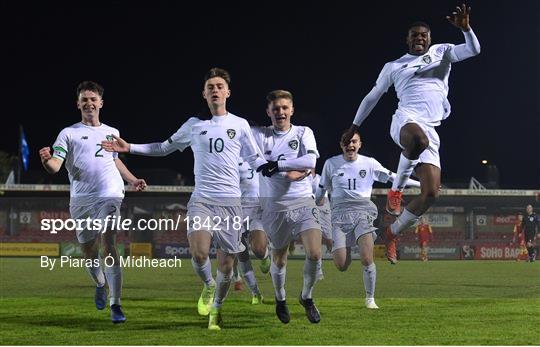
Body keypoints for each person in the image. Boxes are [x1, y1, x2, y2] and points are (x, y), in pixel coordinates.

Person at [101, 68, 267, 330]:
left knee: (226, 263)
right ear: (204, 93)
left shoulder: (240, 124)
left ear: (228, 92)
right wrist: (130, 147)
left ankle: (216, 310)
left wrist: (272, 167)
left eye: (219, 86)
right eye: (210, 86)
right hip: (201, 199)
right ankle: (208, 285)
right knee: (199, 253)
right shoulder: (194, 125)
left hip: (231, 204)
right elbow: (164, 147)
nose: (215, 90)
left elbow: (255, 158)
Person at [343, 4, 480, 261]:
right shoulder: (394, 66)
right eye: (414, 34)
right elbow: (372, 97)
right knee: (418, 140)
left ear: (430, 39)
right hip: (405, 121)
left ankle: (392, 233)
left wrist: (466, 29)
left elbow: (473, 49)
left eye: (423, 34)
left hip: (431, 128)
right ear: (407, 40)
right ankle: (396, 192)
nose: (419, 37)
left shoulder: (443, 52)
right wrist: (354, 127)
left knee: (430, 193)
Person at [39, 81, 147, 324]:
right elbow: (56, 166)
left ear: (101, 103)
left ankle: (116, 304)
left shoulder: (112, 132)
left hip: (110, 194)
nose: (89, 103)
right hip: (81, 200)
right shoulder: (68, 133)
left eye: (93, 99)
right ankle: (100, 283)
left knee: (109, 244)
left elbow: (115, 160)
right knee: (89, 251)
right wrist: (47, 161)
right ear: (78, 104)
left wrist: (131, 180)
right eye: (84, 100)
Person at [316, 128, 419, 309]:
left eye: (354, 142)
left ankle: (370, 299)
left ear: (359, 144)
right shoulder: (331, 164)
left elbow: (393, 177)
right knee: (341, 264)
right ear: (341, 145)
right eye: (347, 142)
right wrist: (317, 201)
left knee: (366, 258)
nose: (350, 145)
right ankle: (343, 249)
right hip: (339, 215)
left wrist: (421, 184)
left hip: (363, 212)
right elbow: (322, 187)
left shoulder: (369, 163)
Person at [252, 90, 323, 324]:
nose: (280, 112)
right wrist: (289, 166)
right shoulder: (260, 135)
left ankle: (306, 297)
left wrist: (278, 165)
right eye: (275, 108)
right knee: (279, 258)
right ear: (268, 112)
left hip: (303, 201)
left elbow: (310, 161)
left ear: (291, 110)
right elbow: (259, 164)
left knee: (314, 253)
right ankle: (280, 298)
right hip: (275, 206)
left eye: (284, 107)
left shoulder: (304, 132)